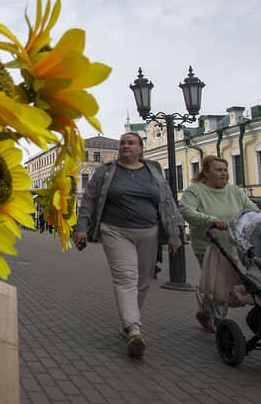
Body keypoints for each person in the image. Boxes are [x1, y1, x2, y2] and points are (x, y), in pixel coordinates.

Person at [73, 133, 183, 358]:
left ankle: (128, 322)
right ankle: (134, 328)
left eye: (130, 143)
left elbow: (168, 202)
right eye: (122, 143)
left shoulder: (153, 171)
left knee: (143, 280)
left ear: (141, 149)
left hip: (149, 231)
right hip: (115, 230)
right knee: (126, 277)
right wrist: (81, 227)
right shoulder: (106, 171)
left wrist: (174, 235)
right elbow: (90, 199)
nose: (125, 146)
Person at [179, 155, 257, 333]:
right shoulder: (195, 191)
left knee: (224, 285)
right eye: (218, 170)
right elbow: (186, 211)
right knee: (218, 286)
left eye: (225, 170)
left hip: (232, 247)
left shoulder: (234, 191)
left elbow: (252, 210)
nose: (224, 174)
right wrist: (212, 220)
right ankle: (221, 325)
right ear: (206, 172)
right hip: (208, 247)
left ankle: (206, 314)